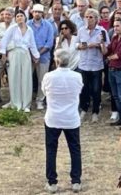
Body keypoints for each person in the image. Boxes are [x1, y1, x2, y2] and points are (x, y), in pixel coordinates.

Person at [42, 48, 83, 194]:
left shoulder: (48, 76)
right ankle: (76, 181)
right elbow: (79, 91)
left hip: (53, 117)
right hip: (71, 118)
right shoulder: (77, 76)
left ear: (57, 60)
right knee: (75, 149)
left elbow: (44, 92)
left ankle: (52, 182)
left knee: (51, 149)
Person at [0, 10, 39, 112]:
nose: (19, 18)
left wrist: (36, 56)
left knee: (26, 78)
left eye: (21, 16)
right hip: (14, 54)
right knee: (14, 78)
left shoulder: (29, 29)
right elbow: (4, 41)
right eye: (17, 16)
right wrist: (3, 54)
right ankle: (16, 103)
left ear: (25, 17)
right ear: (15, 18)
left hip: (25, 55)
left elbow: (32, 44)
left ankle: (26, 104)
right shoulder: (12, 28)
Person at [76, 9, 109, 122]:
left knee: (96, 90)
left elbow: (105, 51)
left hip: (96, 65)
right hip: (84, 64)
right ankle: (84, 109)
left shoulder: (102, 31)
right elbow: (76, 44)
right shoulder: (81, 30)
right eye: (87, 17)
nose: (88, 19)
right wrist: (81, 46)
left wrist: (98, 44)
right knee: (84, 89)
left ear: (96, 19)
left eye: (91, 17)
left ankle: (95, 111)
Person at [28, 4, 56, 110]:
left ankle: (40, 100)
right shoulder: (27, 24)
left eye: (39, 12)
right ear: (32, 13)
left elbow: (49, 43)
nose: (37, 14)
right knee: (28, 79)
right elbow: (26, 41)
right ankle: (27, 100)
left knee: (42, 80)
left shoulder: (48, 25)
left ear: (42, 13)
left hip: (43, 56)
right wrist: (33, 55)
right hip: (29, 56)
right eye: (35, 12)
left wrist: (38, 54)